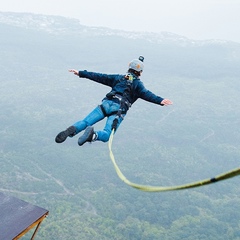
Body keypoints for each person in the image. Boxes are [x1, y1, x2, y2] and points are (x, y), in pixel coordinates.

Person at [55, 56, 173, 146]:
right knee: (106, 135)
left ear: (129, 68)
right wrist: (161, 100)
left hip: (105, 104)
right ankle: (93, 136)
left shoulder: (118, 78)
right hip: (118, 110)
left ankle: (71, 131)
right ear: (140, 73)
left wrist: (81, 73)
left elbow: (100, 76)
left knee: (85, 122)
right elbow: (148, 95)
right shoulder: (138, 85)